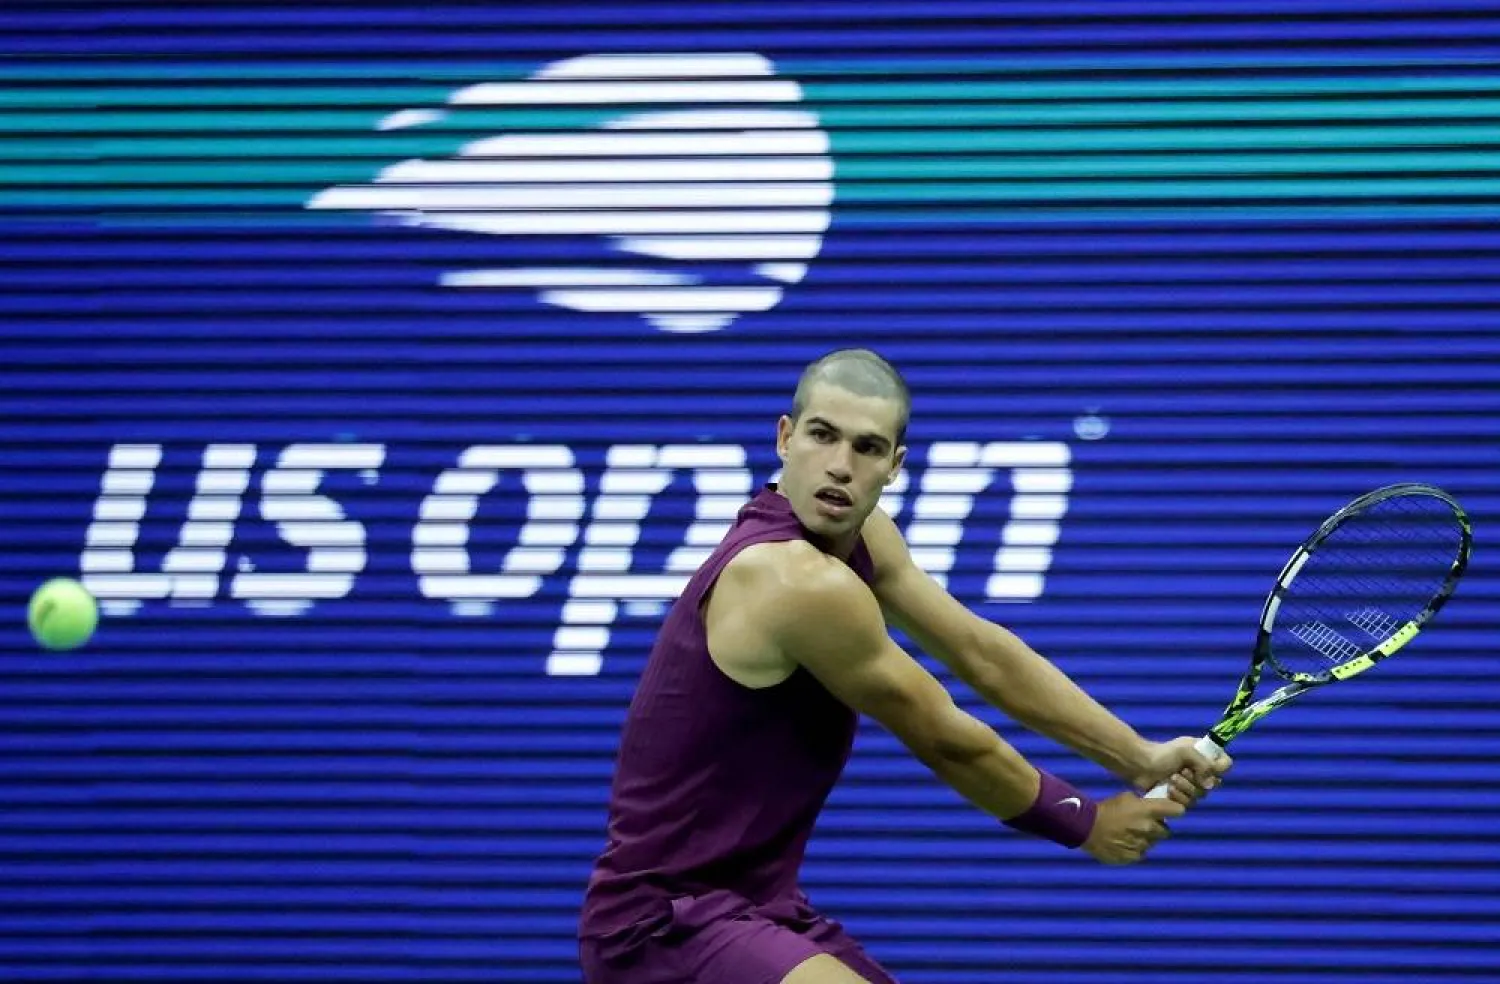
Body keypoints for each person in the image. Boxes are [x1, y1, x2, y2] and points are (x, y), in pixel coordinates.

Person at [578, 349, 1231, 984]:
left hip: (758, 907)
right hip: (663, 926)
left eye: (866, 448)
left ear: (894, 465)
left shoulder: (863, 538)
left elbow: (981, 652)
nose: (840, 466)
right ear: (784, 438)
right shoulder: (791, 579)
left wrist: (1138, 756)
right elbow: (942, 735)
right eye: (822, 435)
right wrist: (1087, 822)